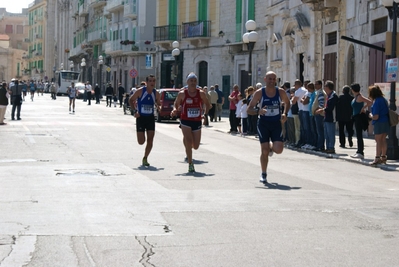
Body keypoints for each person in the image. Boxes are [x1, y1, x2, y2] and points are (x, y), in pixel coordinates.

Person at [247, 71, 290, 184]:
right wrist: (258, 111)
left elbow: (287, 102)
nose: (271, 81)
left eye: (273, 79)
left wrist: (285, 113)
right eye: (269, 79)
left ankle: (271, 147)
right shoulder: (259, 93)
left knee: (279, 150)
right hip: (264, 124)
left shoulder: (280, 92)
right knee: (264, 151)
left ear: (275, 80)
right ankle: (264, 173)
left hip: (276, 123)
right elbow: (249, 109)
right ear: (265, 79)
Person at [171, 72, 212, 173]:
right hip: (185, 120)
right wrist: (175, 110)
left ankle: (188, 144)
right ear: (187, 82)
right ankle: (190, 163)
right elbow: (176, 104)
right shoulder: (182, 93)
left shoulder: (201, 93)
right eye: (191, 81)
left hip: (197, 120)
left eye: (194, 81)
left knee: (196, 146)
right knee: (189, 142)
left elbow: (208, 104)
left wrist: (205, 115)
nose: (193, 83)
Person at [129, 74, 161, 167]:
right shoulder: (140, 91)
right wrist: (135, 111)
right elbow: (131, 100)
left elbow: (159, 104)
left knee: (150, 139)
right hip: (141, 118)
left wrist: (159, 107)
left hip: (150, 118)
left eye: (154, 81)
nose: (152, 83)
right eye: (150, 81)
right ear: (146, 83)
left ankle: (145, 158)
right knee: (141, 141)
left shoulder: (156, 93)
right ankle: (142, 137)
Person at [368, 84, 390, 165]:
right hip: (386, 121)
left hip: (379, 122)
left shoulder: (377, 101)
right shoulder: (384, 99)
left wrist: (370, 115)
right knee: (383, 139)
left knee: (378, 140)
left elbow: (376, 116)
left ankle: (377, 158)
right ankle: (383, 157)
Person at [350, 83, 372, 159]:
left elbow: (370, 102)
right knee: (358, 134)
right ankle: (359, 151)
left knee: (359, 134)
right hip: (355, 116)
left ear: (353, 90)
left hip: (359, 117)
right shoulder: (356, 97)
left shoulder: (359, 97)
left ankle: (360, 152)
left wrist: (364, 108)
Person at [315, 80, 338, 154]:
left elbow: (330, 108)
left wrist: (322, 110)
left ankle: (331, 147)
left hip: (331, 117)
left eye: (325, 86)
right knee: (326, 133)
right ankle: (328, 147)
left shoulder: (334, 96)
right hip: (326, 116)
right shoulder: (328, 96)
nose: (324, 87)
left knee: (330, 133)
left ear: (328, 87)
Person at [312, 80, 326, 151]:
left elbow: (321, 104)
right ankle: (319, 145)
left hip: (319, 114)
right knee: (318, 131)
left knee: (320, 131)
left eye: (316, 84)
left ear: (320, 85)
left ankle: (320, 146)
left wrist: (316, 110)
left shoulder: (320, 93)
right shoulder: (318, 93)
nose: (315, 86)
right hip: (318, 114)